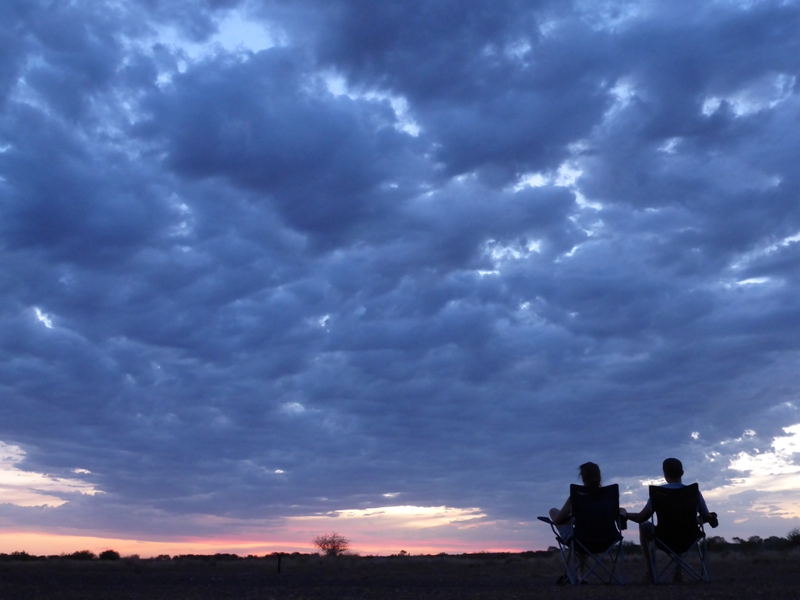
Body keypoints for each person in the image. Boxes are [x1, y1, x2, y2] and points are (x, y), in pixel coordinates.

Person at [623, 457, 718, 583]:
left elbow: (641, 518)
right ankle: (678, 573)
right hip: (688, 538)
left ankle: (651, 572)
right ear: (682, 473)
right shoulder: (693, 493)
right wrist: (711, 517)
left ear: (665, 474)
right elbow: (706, 517)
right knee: (682, 526)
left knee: (645, 526)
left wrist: (625, 514)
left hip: (663, 538)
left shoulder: (658, 493)